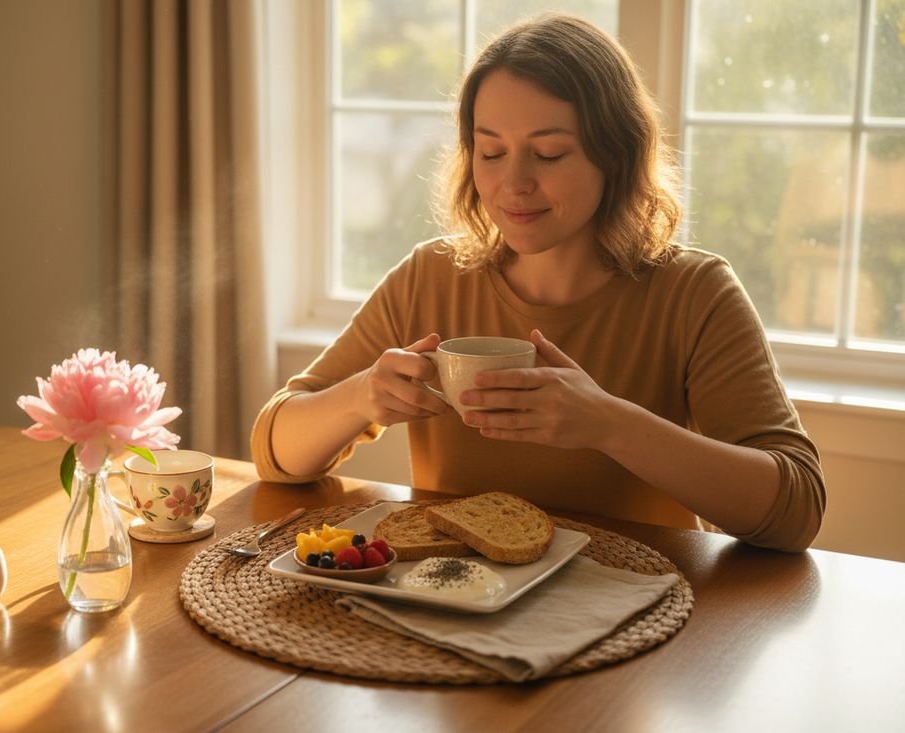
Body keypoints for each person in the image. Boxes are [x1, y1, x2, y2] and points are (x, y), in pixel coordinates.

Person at [250, 13, 825, 552]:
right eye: (491, 151)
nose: (512, 183)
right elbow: (275, 452)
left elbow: (796, 510)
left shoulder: (694, 294)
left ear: (615, 156)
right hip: (460, 614)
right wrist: (360, 397)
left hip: (643, 619)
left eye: (548, 154)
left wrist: (609, 422)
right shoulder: (430, 277)